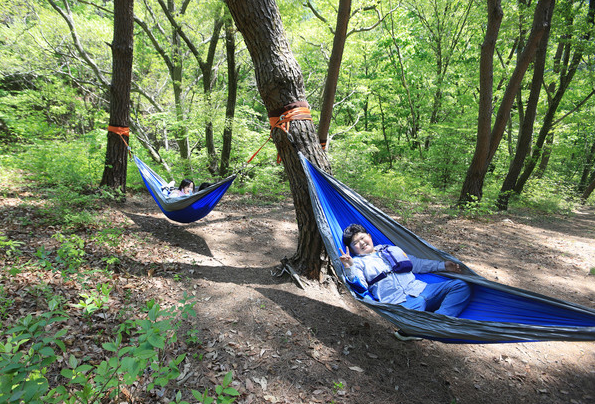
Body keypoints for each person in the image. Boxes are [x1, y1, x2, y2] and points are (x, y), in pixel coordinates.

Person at [340, 224, 471, 340]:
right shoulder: (357, 263)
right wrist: (349, 267)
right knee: (417, 307)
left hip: (421, 289)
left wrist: (443, 266)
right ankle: (418, 328)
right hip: (400, 302)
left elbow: (417, 264)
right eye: (355, 243)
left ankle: (438, 323)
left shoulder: (390, 249)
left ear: (369, 236)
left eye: (362, 238)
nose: (361, 243)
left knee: (461, 286)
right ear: (351, 249)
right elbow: (360, 287)